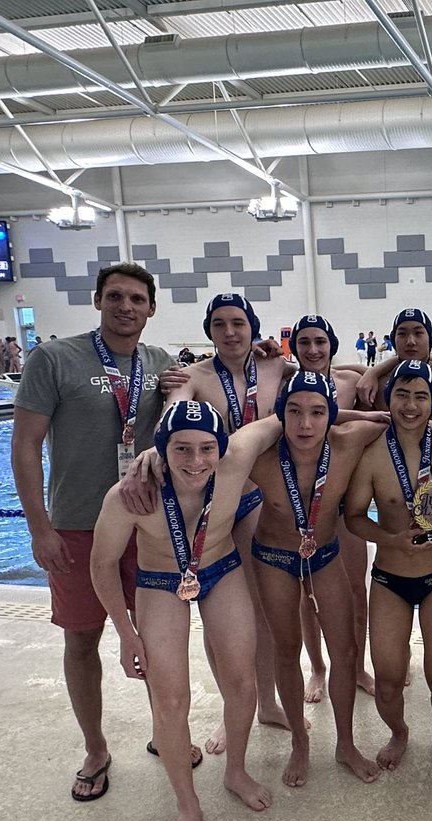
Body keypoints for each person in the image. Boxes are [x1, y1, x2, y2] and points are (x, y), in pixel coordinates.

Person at [11, 261, 177, 802]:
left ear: (151, 307)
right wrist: (39, 527)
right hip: (79, 525)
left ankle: (165, 732)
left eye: (136, 298)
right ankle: (95, 748)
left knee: (158, 638)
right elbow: (25, 445)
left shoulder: (162, 365)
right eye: (115, 296)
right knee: (82, 639)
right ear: (99, 300)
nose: (126, 306)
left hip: (148, 526)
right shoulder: (54, 358)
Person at [91, 401, 280, 821]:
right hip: (158, 581)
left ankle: (235, 771)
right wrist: (126, 634)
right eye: (181, 449)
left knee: (241, 682)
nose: (195, 461)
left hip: (220, 567)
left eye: (204, 449)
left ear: (221, 447)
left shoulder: (236, 457)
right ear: (161, 449)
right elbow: (101, 565)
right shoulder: (129, 496)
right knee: (170, 699)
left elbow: (286, 415)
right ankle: (188, 806)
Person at [162, 292, 293, 753]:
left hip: (259, 499)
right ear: (209, 331)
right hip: (212, 505)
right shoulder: (194, 377)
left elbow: (321, 390)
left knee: (262, 612)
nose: (231, 333)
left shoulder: (278, 368)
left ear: (253, 327)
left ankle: (266, 703)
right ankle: (230, 710)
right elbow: (172, 416)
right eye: (220, 324)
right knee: (220, 619)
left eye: (239, 323)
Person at [247, 371, 387, 787]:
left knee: (345, 652)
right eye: (294, 412)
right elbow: (199, 453)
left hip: (325, 554)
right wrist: (153, 457)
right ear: (279, 414)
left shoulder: (350, 441)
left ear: (333, 415)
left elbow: (405, 418)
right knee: (286, 650)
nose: (305, 425)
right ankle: (301, 744)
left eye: (317, 412)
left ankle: (345, 743)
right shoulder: (260, 455)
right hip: (274, 557)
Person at [345, 360, 432, 771]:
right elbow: (355, 516)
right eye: (401, 395)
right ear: (388, 398)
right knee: (388, 679)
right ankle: (399, 732)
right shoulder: (372, 451)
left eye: (420, 396)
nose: (410, 405)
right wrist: (391, 538)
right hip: (390, 578)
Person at [289, 315, 376, 697]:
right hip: (301, 505)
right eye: (304, 342)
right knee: (307, 594)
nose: (312, 349)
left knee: (357, 589)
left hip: (341, 501)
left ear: (332, 343)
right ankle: (318, 668)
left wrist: (380, 366)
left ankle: (357, 667)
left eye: (320, 341)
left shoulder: (351, 381)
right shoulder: (282, 379)